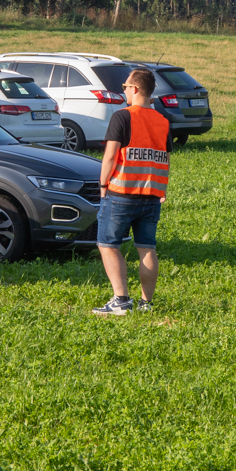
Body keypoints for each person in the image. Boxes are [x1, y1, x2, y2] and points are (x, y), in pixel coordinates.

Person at [92, 67, 172, 316]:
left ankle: (121, 300)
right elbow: (164, 158)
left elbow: (110, 156)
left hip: (121, 193)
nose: (124, 89)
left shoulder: (122, 116)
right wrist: (162, 189)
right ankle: (146, 304)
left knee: (107, 244)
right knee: (147, 248)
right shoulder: (164, 121)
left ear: (135, 89)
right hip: (151, 195)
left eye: (126, 86)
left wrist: (103, 185)